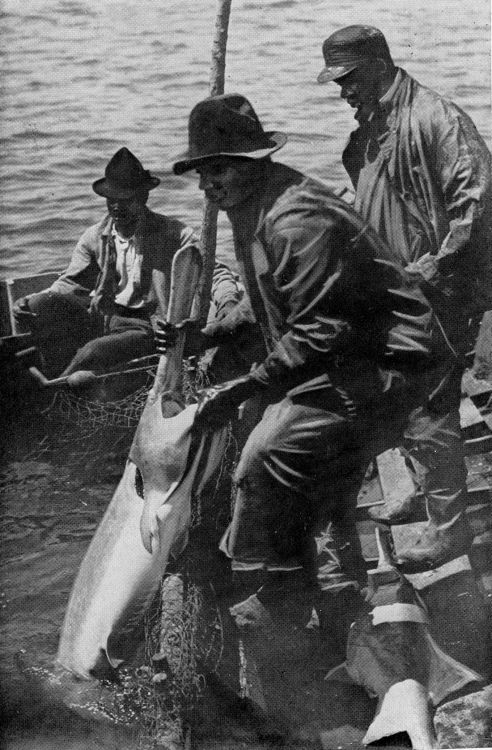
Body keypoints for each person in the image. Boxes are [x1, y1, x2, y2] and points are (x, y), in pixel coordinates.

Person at [167, 93, 449, 680]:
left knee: (266, 455)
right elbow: (267, 300)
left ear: (252, 161)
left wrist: (247, 385)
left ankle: (271, 583)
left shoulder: (296, 217)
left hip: (387, 369)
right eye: (201, 173)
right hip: (339, 363)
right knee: (320, 488)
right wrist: (209, 335)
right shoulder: (254, 207)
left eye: (216, 169)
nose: (206, 186)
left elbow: (320, 327)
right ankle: (336, 612)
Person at [317, 25, 492, 570]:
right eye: (337, 83)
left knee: (429, 408)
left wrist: (429, 273)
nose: (343, 91)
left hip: (435, 290)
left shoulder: (436, 119)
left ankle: (449, 529)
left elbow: (478, 209)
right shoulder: (372, 124)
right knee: (393, 394)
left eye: (349, 79)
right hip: (391, 290)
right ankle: (420, 488)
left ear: (378, 65)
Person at [13, 147, 240, 379]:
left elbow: (215, 271)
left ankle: (55, 389)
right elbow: (70, 283)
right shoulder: (96, 236)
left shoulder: (173, 234)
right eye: (111, 200)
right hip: (104, 315)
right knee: (37, 307)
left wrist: (228, 302)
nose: (117, 207)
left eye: (126, 200)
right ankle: (50, 370)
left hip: (146, 327)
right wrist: (30, 300)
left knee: (91, 352)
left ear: (143, 197)